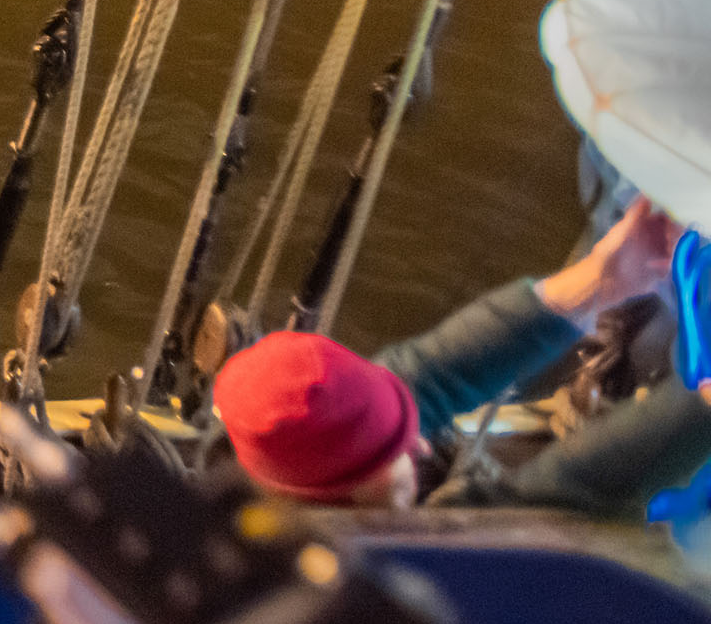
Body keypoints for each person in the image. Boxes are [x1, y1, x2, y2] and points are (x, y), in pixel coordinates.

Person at [211, 196, 711, 516]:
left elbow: (415, 380)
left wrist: (599, 279)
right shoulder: (419, 557)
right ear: (341, 508)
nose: (425, 448)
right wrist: (699, 407)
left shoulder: (273, 461)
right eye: (396, 453)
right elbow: (560, 493)